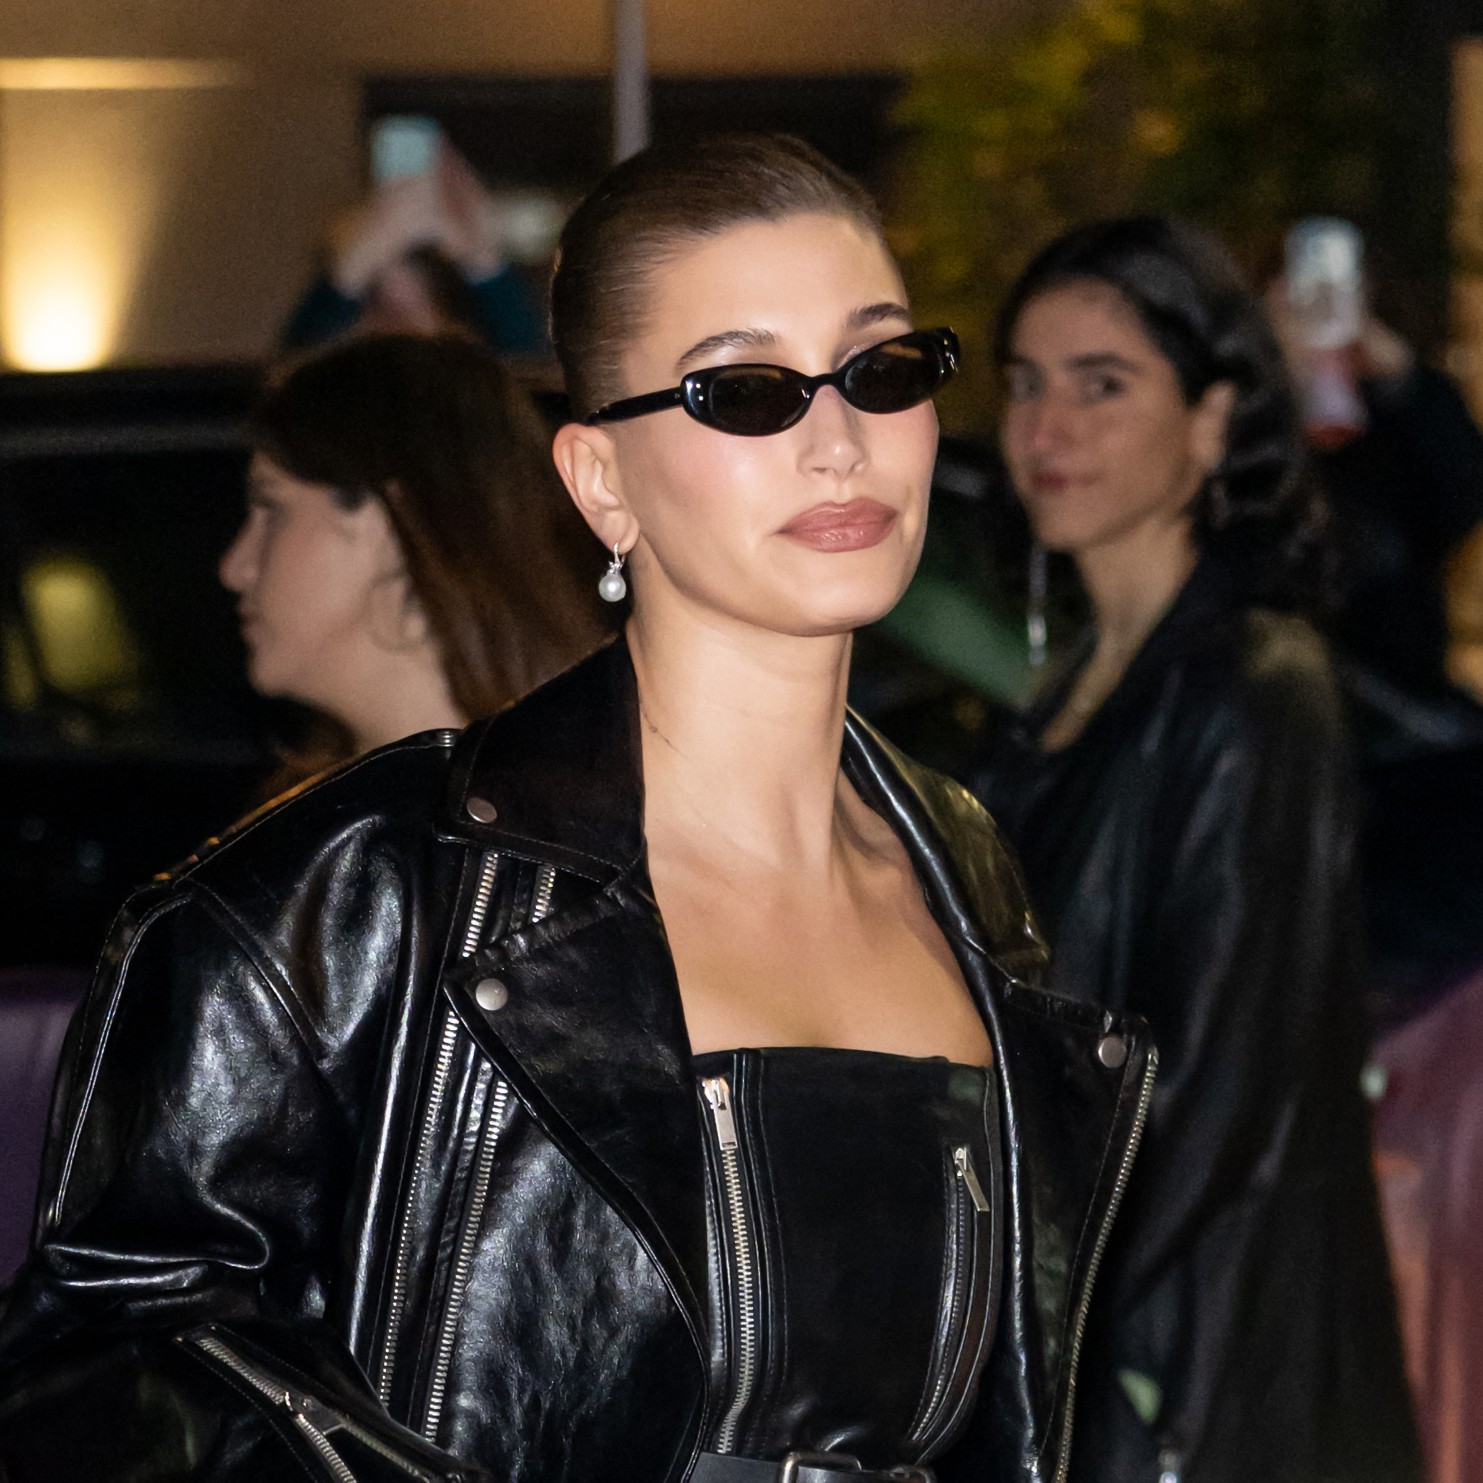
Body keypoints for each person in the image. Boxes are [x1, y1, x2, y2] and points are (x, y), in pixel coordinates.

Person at [0, 135, 1153, 1483]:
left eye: (878, 369)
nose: (838, 440)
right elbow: (108, 1363)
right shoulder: (348, 896)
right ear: (600, 480)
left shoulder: (960, 865)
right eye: (744, 390)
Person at [970, 218, 1421, 1483]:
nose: (1047, 427)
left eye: (1102, 384)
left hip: (1197, 1381)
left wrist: (1017, 1332)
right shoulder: (1062, 697)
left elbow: (1204, 1091)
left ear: (1214, 419)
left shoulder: (1251, 687)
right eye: (1024, 382)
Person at [220, 332, 608, 782]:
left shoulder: (577, 802)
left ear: (390, 524)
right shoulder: (312, 810)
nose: (234, 569)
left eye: (272, 509)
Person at [281, 145, 546, 355]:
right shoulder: (334, 359)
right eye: (371, 294)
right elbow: (293, 371)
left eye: (415, 262)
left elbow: (528, 369)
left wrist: (483, 262)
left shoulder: (470, 370)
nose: (395, 292)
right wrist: (349, 273)